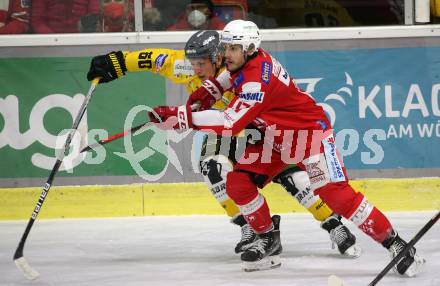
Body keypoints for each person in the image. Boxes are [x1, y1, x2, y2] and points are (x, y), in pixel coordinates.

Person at [142, 19, 426, 275]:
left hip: (309, 137)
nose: (225, 54)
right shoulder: (246, 62)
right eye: (225, 47)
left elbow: (229, 121)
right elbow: (227, 78)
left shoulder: (256, 81)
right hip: (275, 139)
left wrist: (181, 116)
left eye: (232, 48)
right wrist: (205, 94)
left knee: (336, 196)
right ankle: (268, 237)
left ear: (249, 48)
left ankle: (396, 243)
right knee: (238, 183)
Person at [86, 29, 360, 271]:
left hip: (259, 128)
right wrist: (115, 63)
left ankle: (332, 223)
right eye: (193, 63)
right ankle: (249, 227)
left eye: (201, 64)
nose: (195, 69)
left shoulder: (238, 71)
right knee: (213, 168)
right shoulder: (186, 66)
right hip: (221, 127)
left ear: (219, 57)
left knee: (295, 178)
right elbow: (151, 58)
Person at [31, 0, 100, 33]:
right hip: (50, 43)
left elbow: (93, 19)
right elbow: (37, 21)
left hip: (82, 42)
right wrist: (54, 39)